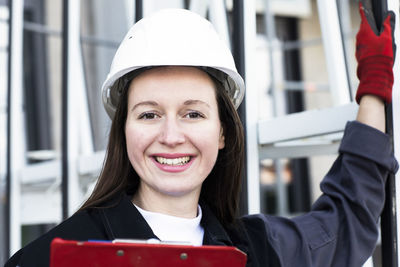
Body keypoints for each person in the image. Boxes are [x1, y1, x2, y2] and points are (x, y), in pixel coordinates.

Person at [5, 4, 398, 267]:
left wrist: (374, 87)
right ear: (124, 131)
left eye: (193, 113)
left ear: (223, 131)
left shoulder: (259, 250)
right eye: (149, 114)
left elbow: (345, 222)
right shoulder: (53, 258)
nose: (171, 135)